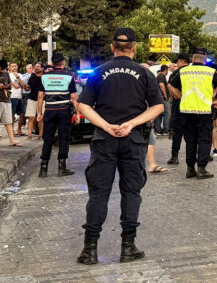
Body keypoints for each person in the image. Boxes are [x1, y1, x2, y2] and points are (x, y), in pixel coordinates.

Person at [76, 28, 165, 265]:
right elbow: (158, 107)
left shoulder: (98, 72)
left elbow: (83, 106)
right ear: (135, 48)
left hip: (104, 140)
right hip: (133, 139)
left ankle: (90, 250)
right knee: (131, 192)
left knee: (98, 194)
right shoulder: (144, 73)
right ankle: (128, 247)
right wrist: (131, 123)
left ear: (113, 48)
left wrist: (106, 126)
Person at [167, 49, 217, 179]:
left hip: (186, 110)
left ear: (192, 60)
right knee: (204, 139)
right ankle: (202, 168)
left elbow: (170, 85)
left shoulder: (183, 71)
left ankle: (190, 169)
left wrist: (180, 96)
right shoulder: (210, 71)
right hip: (204, 110)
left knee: (190, 140)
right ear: (204, 60)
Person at [37, 53, 78, 177]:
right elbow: (74, 97)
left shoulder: (44, 77)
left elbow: (40, 96)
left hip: (49, 111)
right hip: (64, 110)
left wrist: (39, 113)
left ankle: (43, 169)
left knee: (47, 139)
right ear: (63, 63)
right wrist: (77, 113)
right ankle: (62, 167)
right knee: (63, 138)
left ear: (52, 63)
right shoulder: (69, 76)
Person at [166, 53, 189, 165]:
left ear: (183, 62)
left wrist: (178, 96)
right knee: (193, 132)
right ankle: (199, 153)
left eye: (178, 61)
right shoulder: (193, 72)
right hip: (193, 105)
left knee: (178, 132)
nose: (177, 63)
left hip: (179, 104)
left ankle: (174, 156)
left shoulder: (177, 73)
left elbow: (170, 86)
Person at [25, 63, 44, 139]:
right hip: (32, 99)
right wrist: (25, 86)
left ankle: (41, 135)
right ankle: (29, 135)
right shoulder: (32, 76)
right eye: (35, 66)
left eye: (38, 67)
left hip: (42, 100)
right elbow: (28, 87)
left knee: (41, 118)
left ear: (42, 68)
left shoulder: (45, 77)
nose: (36, 68)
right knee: (31, 117)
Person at [7, 62, 27, 135]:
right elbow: (16, 86)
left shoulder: (20, 75)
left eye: (15, 66)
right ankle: (11, 131)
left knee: (22, 114)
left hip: (19, 97)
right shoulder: (8, 75)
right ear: (9, 67)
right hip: (12, 97)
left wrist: (18, 77)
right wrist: (21, 85)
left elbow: (23, 85)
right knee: (12, 115)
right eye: (12, 66)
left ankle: (19, 130)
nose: (14, 67)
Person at [154, 65, 171, 135]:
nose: (167, 72)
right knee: (167, 113)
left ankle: (158, 130)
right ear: (166, 70)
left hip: (159, 97)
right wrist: (165, 94)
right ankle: (165, 130)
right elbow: (161, 85)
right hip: (163, 98)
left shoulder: (159, 75)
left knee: (159, 114)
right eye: (167, 70)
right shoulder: (161, 76)